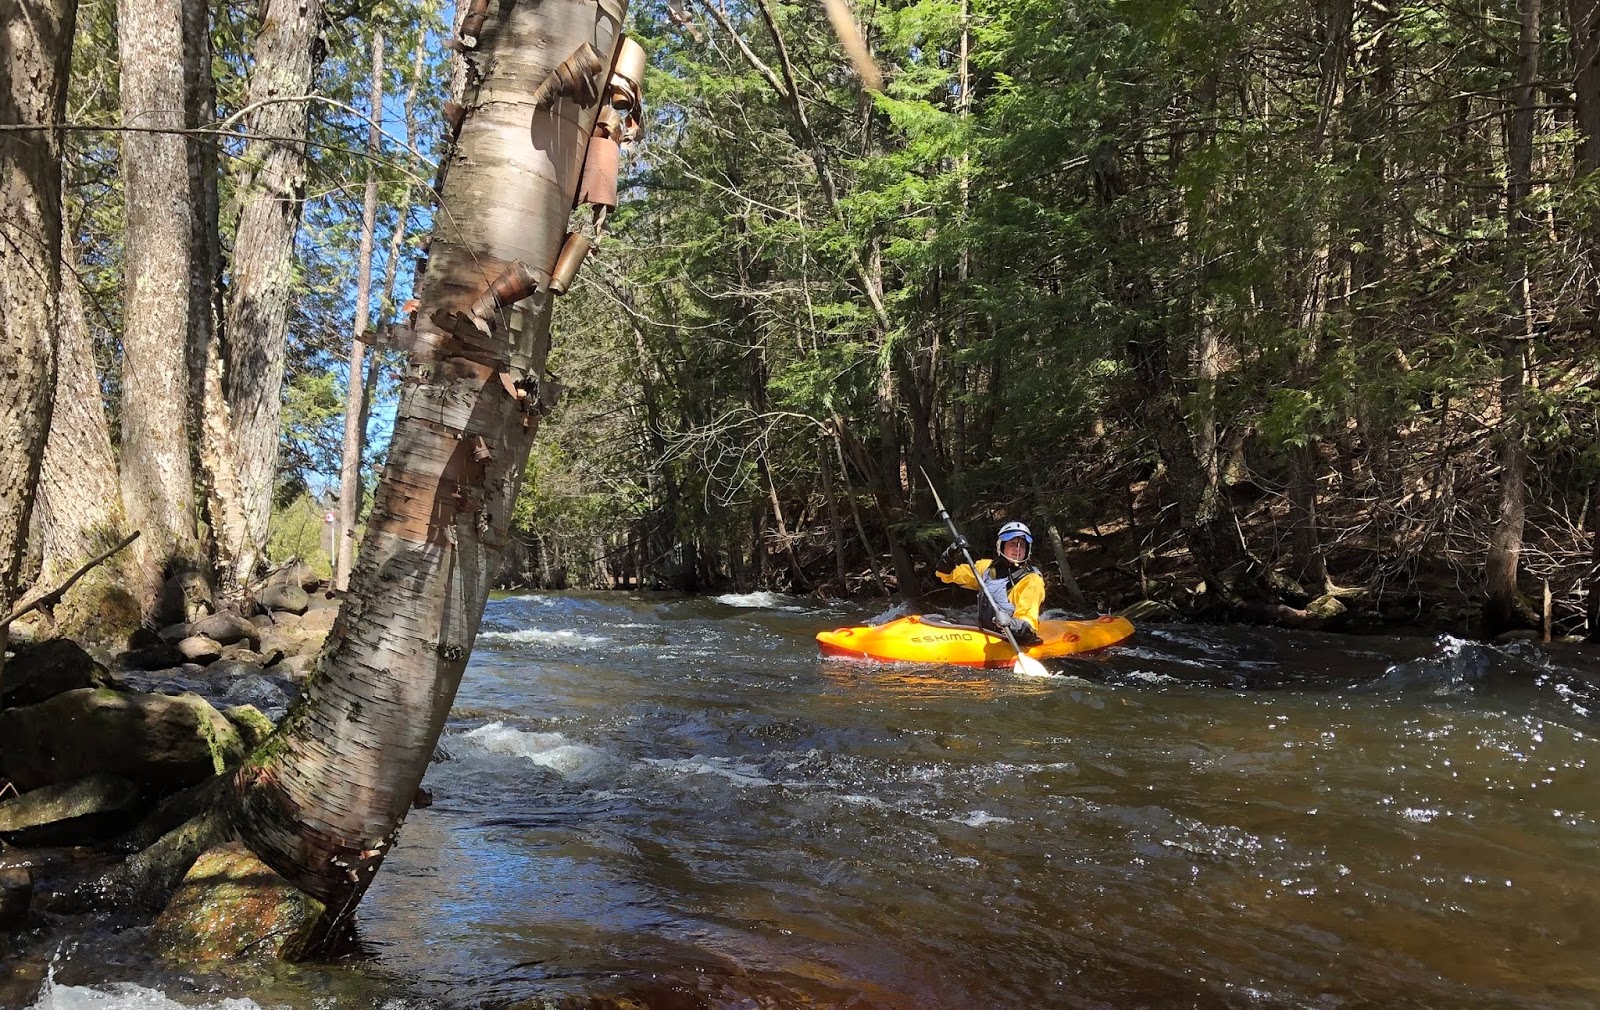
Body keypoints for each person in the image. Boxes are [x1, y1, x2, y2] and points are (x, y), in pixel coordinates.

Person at [936, 521, 1045, 646]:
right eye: (1013, 544)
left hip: (1012, 638)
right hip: (987, 629)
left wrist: (1011, 624)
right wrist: (951, 553)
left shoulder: (1032, 580)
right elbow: (946, 575)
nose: (1018, 549)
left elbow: (1028, 622)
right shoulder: (987, 568)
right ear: (1001, 546)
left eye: (1023, 546)